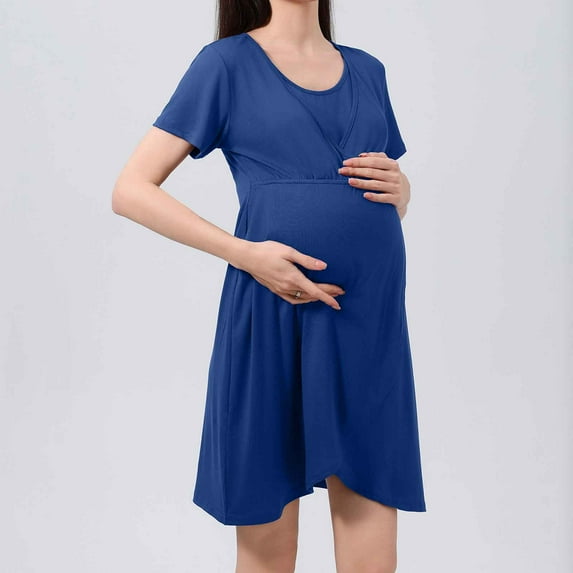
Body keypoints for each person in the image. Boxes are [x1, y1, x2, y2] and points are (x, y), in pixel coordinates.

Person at [112, 1, 426, 571]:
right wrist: (246, 255)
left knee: (374, 514)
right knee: (267, 536)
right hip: (272, 311)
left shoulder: (368, 69)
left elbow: (375, 199)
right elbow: (131, 190)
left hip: (368, 320)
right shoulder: (225, 64)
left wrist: (403, 193)